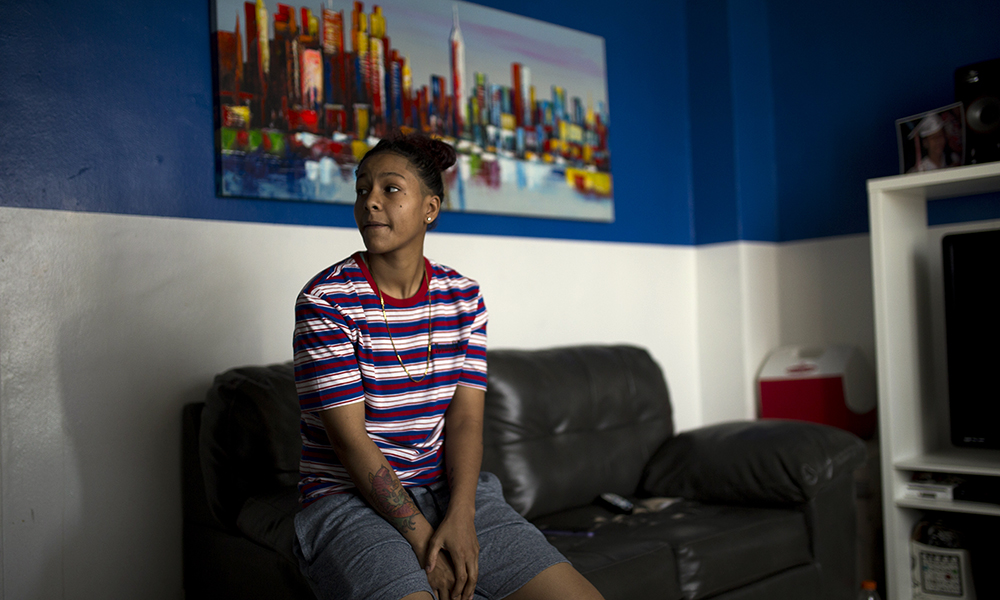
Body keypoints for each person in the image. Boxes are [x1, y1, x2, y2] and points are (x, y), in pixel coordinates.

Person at [291, 131, 605, 600]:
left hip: (449, 491)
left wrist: (461, 516)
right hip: (348, 500)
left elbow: (465, 419)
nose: (370, 202)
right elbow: (350, 442)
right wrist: (425, 544)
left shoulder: (462, 296)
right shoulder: (328, 301)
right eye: (362, 189)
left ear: (430, 208)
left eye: (390, 189)